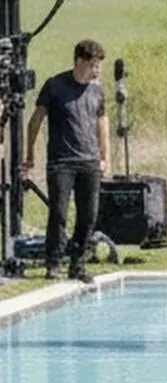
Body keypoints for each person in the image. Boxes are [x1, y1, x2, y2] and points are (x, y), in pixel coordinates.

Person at [23, 38, 110, 282]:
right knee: (58, 213)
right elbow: (35, 120)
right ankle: (53, 262)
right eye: (94, 65)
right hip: (61, 161)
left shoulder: (97, 90)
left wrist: (105, 158)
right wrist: (30, 154)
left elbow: (102, 124)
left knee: (88, 216)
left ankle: (78, 264)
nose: (98, 70)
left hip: (89, 161)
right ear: (80, 62)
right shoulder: (55, 85)